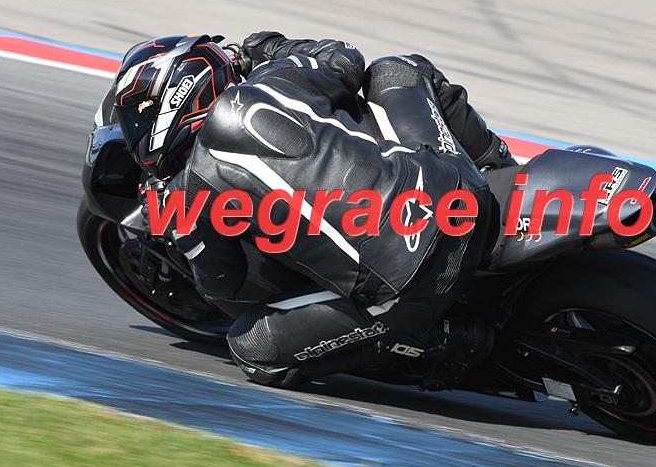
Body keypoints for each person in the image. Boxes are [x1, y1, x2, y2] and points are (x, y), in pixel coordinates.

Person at [108, 32, 517, 390]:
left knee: (251, 348)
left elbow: (222, 285)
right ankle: (504, 170)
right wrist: (267, 48)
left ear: (170, 105)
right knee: (397, 70)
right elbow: (346, 59)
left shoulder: (184, 194)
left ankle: (444, 340)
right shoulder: (273, 79)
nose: (137, 128)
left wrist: (175, 225)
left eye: (139, 117)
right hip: (461, 189)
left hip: (413, 286)